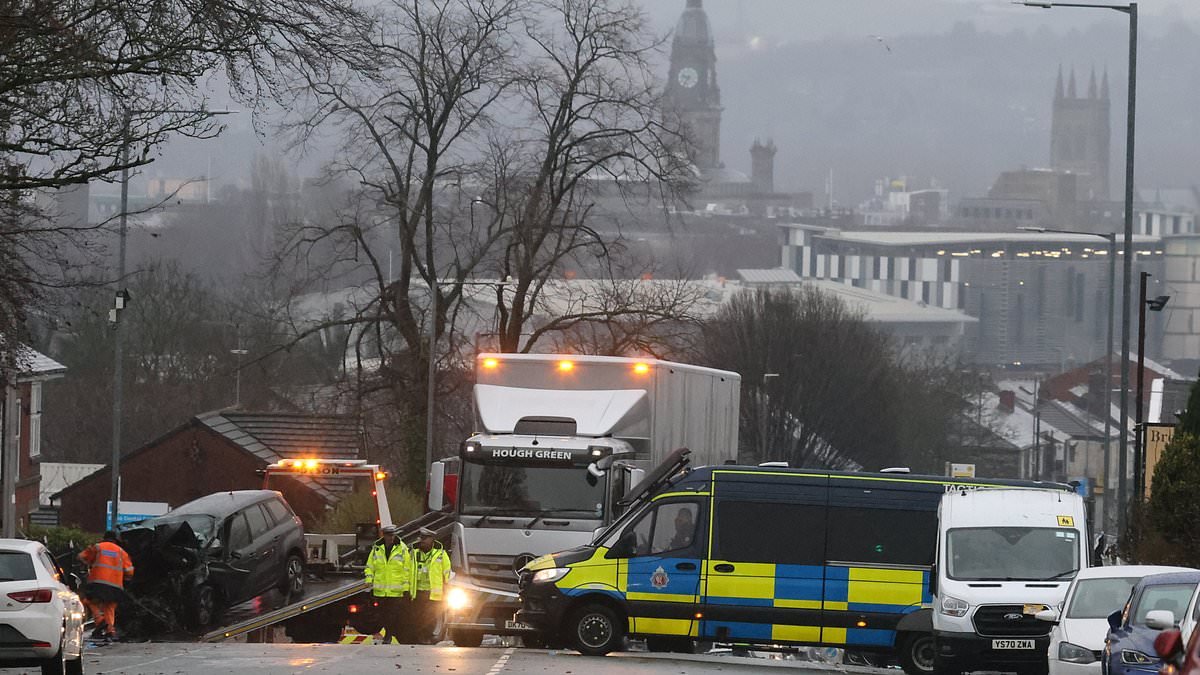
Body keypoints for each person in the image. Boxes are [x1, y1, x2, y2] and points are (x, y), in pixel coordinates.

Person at [78, 531, 134, 640]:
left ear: (104, 538)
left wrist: (89, 564)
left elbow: (81, 556)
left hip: (98, 582)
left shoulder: (98, 547)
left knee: (89, 601)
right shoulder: (121, 552)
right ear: (116, 540)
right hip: (115, 586)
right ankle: (110, 630)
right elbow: (129, 571)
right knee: (110, 607)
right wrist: (125, 579)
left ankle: (100, 621)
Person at [365, 524, 411, 644]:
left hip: (396, 590)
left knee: (392, 614)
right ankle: (388, 633)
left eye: (392, 535)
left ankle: (389, 635)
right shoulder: (377, 548)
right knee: (382, 614)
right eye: (388, 535)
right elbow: (370, 565)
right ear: (383, 535)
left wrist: (406, 587)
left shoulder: (402, 548)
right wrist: (369, 580)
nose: (390, 537)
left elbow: (407, 569)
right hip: (381, 589)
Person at [409, 527, 451, 644]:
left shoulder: (441, 554)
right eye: (421, 538)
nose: (422, 541)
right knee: (418, 616)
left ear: (432, 539)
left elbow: (447, 572)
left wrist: (448, 588)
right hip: (417, 591)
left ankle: (427, 637)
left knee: (430, 617)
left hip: (433, 593)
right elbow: (408, 570)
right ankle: (421, 637)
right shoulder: (414, 553)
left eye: (425, 538)